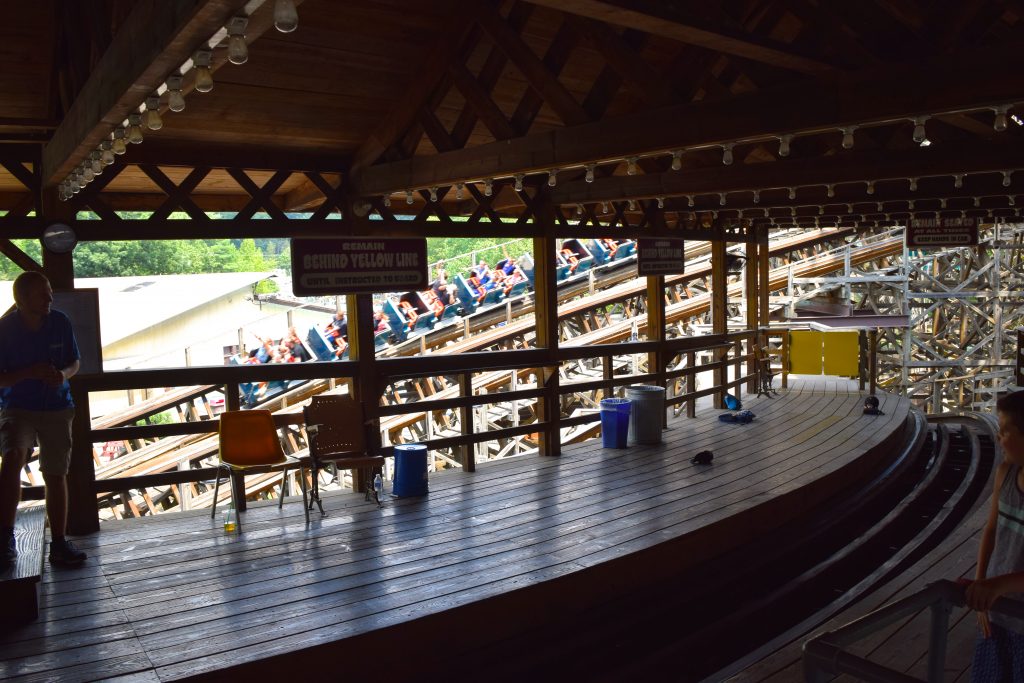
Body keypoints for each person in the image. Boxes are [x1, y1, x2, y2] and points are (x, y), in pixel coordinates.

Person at [0, 271, 86, 566]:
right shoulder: (4, 330)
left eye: (49, 291)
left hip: (57, 407)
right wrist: (29, 373)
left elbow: (75, 362)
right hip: (18, 407)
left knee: (55, 473)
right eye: (42, 293)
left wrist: (62, 375)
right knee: (13, 457)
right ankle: (5, 537)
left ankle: (59, 543)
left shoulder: (60, 322)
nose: (50, 297)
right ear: (21, 299)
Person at [967, 390, 1024, 680]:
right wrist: (982, 584)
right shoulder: (1005, 474)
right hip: (997, 609)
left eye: (1005, 430)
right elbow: (991, 531)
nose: (998, 437)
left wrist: (996, 585)